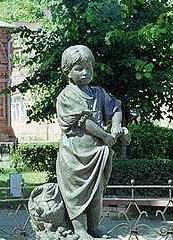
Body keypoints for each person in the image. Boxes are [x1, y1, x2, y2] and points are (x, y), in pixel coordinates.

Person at [56, 45, 123, 239]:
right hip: (75, 155)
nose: (86, 73)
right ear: (67, 72)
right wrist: (106, 136)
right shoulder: (66, 96)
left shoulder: (98, 92)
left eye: (89, 68)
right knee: (75, 193)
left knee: (96, 192)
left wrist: (116, 126)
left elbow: (116, 107)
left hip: (97, 153)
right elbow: (84, 122)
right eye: (79, 69)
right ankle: (79, 229)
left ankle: (94, 227)